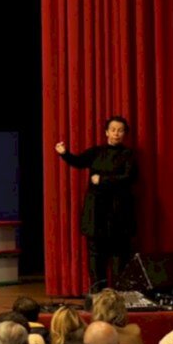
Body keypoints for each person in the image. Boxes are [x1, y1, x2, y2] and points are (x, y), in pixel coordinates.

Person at [55, 116, 137, 288]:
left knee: (118, 254)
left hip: (118, 212)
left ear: (125, 134)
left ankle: (117, 294)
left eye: (120, 130)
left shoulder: (128, 155)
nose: (116, 133)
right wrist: (64, 153)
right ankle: (97, 292)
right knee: (95, 255)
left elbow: (128, 178)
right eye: (113, 129)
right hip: (96, 211)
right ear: (106, 132)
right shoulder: (96, 152)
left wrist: (102, 180)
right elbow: (78, 162)